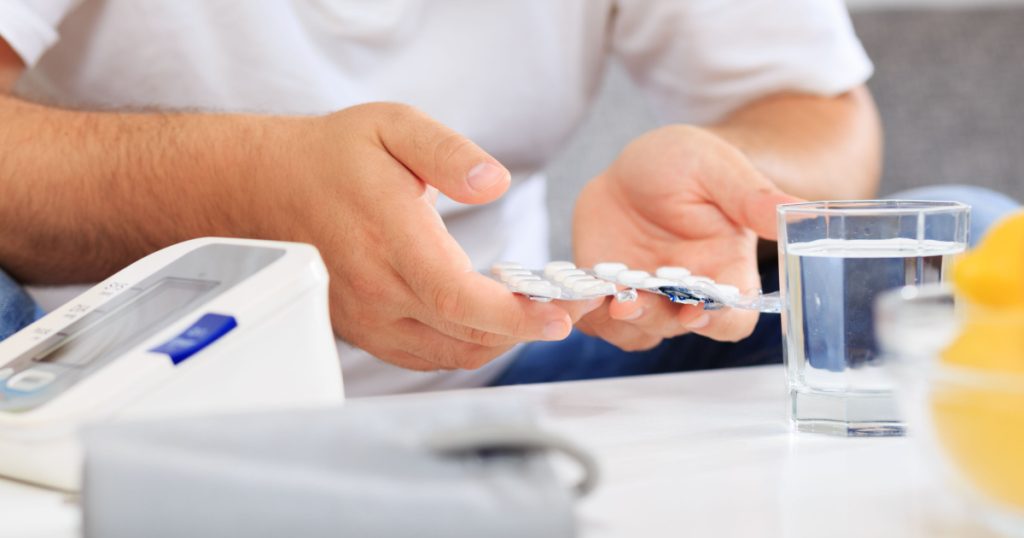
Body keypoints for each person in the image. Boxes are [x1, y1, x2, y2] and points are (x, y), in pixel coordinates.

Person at [0, 1, 1004, 396]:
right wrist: (226, 192)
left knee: (980, 243)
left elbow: (816, 112)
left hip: (512, 376)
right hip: (84, 375)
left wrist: (725, 169)